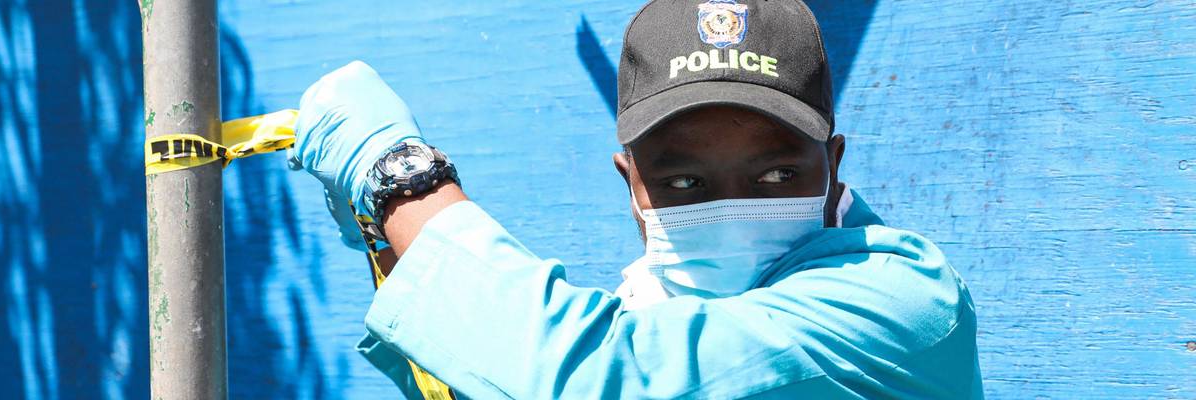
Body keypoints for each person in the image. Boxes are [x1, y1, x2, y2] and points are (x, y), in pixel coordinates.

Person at [291, 0, 983, 398]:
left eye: (775, 176)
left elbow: (588, 377)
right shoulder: (646, 312)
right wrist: (388, 240)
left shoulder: (903, 304)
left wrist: (395, 176)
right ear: (632, 186)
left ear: (831, 166)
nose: (730, 206)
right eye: (685, 183)